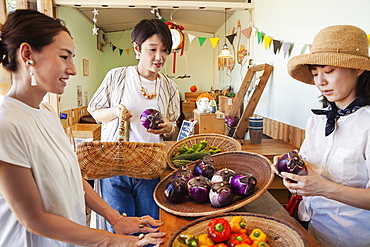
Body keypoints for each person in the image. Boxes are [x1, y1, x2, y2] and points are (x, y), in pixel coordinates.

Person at [0, 9, 165, 246]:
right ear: (28, 54)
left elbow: (73, 176)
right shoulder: (6, 124)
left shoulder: (46, 113)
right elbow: (35, 220)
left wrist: (115, 218)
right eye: (64, 57)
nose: (73, 69)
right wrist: (119, 241)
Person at [272, 25, 370, 247]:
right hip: (308, 223)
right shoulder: (317, 119)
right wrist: (290, 167)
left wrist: (324, 188)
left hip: (350, 238)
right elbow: (311, 166)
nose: (320, 82)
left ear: (358, 69)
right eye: (315, 73)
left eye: (329, 71)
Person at [88, 19, 180, 232]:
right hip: (115, 166)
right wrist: (115, 112)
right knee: (121, 231)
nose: (159, 57)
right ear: (137, 49)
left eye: (165, 50)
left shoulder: (169, 86)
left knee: (150, 228)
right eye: (152, 49)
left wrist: (167, 127)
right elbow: (95, 112)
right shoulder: (117, 76)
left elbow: (174, 125)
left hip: (149, 168)